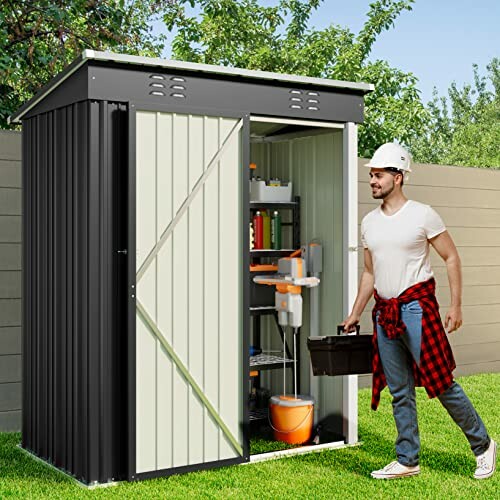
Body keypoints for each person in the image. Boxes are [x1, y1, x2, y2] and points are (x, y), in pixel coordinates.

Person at [341, 142, 496, 480]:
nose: (372, 180)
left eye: (378, 174)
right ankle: (408, 458)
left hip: (417, 310)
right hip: (385, 314)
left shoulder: (423, 214)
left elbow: (451, 257)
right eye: (371, 174)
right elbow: (370, 272)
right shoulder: (369, 222)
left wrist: (456, 305)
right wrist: (356, 312)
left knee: (441, 384)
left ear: (398, 177)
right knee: (400, 390)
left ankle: (483, 446)